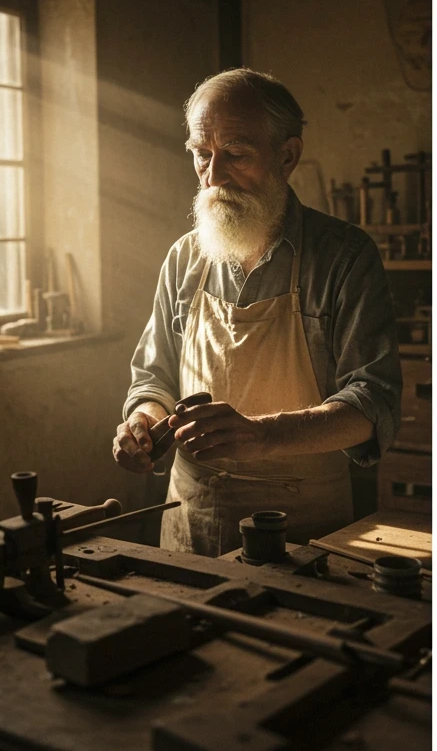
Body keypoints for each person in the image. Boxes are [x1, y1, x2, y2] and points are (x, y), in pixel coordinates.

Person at [114, 68, 402, 557]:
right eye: (202, 155)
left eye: (236, 154)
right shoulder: (185, 257)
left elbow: (372, 404)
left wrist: (261, 436)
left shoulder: (344, 258)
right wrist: (143, 423)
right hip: (191, 518)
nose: (213, 176)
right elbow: (154, 378)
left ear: (287, 155)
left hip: (302, 525)